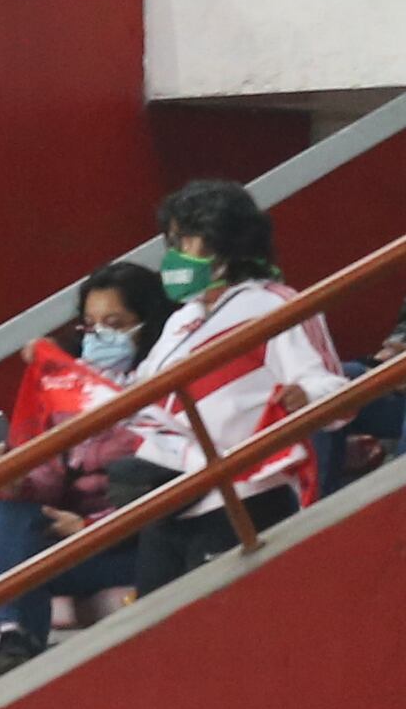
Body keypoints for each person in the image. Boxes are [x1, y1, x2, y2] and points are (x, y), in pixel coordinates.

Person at [117, 178, 345, 588]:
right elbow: (140, 394)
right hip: (167, 501)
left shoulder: (276, 304)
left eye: (186, 240)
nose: (174, 255)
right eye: (171, 242)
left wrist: (305, 396)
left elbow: (336, 393)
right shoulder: (180, 319)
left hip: (243, 496)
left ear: (228, 243)